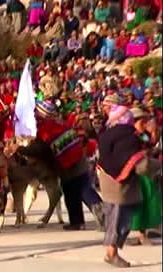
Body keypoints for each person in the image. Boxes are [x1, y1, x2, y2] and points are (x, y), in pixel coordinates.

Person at [22, 101, 104, 231]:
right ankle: (77, 222)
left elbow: (41, 150)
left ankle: (104, 219)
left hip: (70, 162)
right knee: (70, 193)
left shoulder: (46, 128)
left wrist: (21, 150)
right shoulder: (59, 123)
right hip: (72, 159)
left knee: (84, 191)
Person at [97, 105, 161, 267]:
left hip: (108, 181)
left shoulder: (108, 134)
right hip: (122, 186)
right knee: (119, 221)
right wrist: (157, 165)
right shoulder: (128, 137)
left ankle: (111, 252)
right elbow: (139, 164)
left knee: (115, 219)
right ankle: (111, 254)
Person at [127, 107, 162, 246]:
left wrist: (152, 149)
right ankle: (138, 234)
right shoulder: (131, 136)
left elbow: (147, 149)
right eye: (143, 121)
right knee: (138, 205)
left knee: (148, 203)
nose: (145, 124)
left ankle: (143, 233)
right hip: (137, 174)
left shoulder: (143, 135)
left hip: (147, 174)